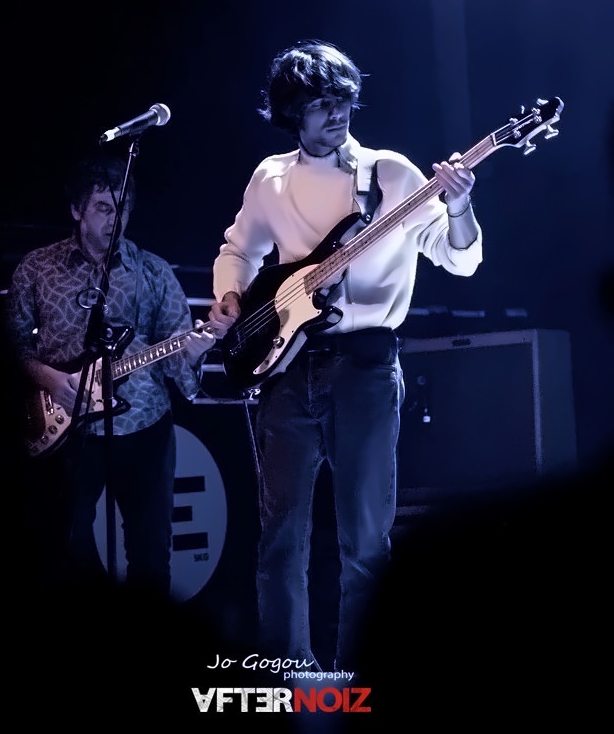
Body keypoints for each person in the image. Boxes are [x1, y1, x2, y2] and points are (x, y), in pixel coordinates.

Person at [207, 39, 483, 672]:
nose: (336, 113)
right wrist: (230, 296)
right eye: (320, 104)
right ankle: (288, 673)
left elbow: (460, 259)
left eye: (343, 100)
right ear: (291, 112)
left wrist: (460, 204)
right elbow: (238, 249)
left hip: (366, 364)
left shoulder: (390, 174)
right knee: (281, 535)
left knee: (365, 538)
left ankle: (363, 674)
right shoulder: (270, 178)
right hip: (285, 366)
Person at [6, 147, 218, 601]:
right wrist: (49, 379)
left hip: (145, 426)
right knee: (66, 549)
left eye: (122, 208)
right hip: (66, 430)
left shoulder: (154, 271)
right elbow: (12, 346)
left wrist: (194, 352)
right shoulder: (37, 269)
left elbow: (179, 362)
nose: (114, 219)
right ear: (76, 210)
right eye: (103, 207)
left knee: (151, 555)